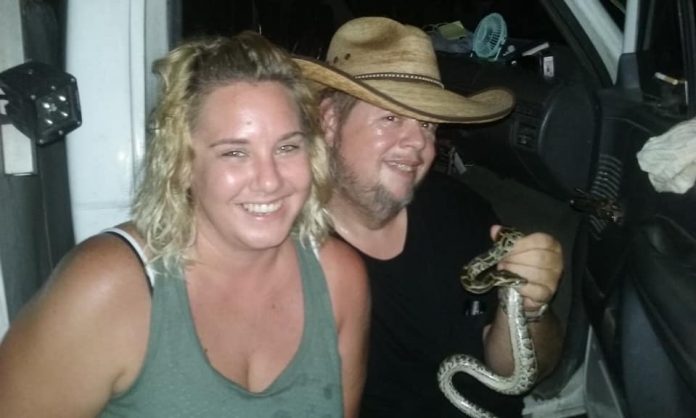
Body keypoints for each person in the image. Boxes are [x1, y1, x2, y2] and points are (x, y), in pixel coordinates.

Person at [0, 31, 370, 418]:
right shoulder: (109, 287)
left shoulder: (338, 279)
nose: (270, 180)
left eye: (287, 147)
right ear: (183, 164)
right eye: (234, 152)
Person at [293, 17, 564, 417]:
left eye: (428, 124)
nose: (420, 143)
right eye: (391, 118)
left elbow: (527, 370)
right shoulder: (287, 254)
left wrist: (529, 307)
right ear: (330, 121)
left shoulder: (461, 209)